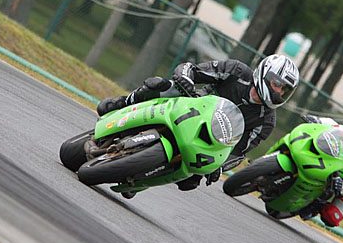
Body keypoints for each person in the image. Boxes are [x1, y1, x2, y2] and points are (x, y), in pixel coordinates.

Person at [97, 54, 300, 191]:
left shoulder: (266, 121)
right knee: (160, 85)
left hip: (206, 141)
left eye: (285, 90)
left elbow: (238, 152)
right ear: (264, 73)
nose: (279, 92)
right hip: (190, 106)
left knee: (191, 181)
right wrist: (185, 78)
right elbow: (190, 69)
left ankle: (141, 179)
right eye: (277, 84)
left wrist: (219, 166)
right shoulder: (237, 71)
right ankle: (123, 103)